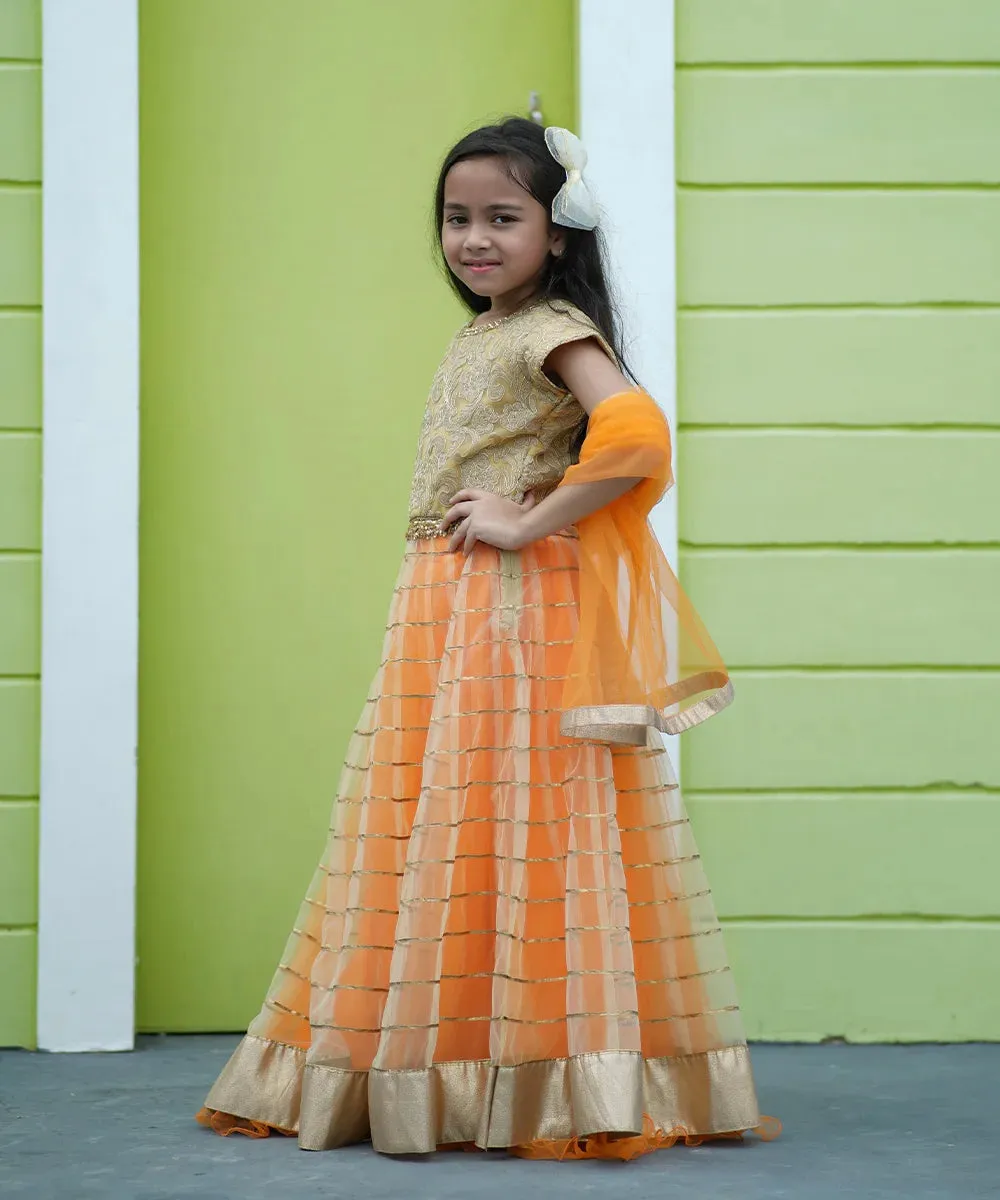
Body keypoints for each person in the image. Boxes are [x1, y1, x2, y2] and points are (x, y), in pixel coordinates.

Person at [197, 116, 777, 1160]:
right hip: (448, 610)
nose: (473, 238)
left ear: (555, 235)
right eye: (457, 218)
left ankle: (551, 1079)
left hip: (513, 614)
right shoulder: (489, 329)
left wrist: (523, 519)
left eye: (501, 218)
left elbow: (636, 433)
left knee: (522, 821)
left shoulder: (548, 325)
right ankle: (464, 1070)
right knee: (454, 824)